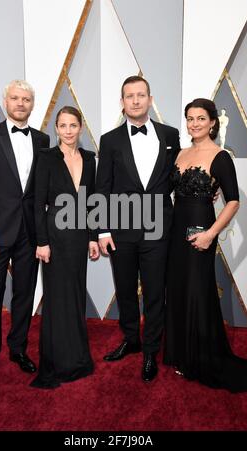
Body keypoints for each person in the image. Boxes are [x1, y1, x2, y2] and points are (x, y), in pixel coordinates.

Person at [163, 98, 247, 392]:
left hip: (201, 229)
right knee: (178, 288)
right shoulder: (180, 153)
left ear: (213, 122)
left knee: (197, 290)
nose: (194, 124)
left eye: (200, 118)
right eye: (190, 118)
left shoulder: (221, 156)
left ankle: (200, 358)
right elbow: (167, 190)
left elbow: (233, 201)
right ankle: (182, 354)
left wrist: (210, 234)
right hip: (175, 229)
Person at [96, 76, 180, 381]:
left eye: (140, 95)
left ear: (150, 98)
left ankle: (150, 351)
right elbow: (102, 188)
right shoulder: (109, 140)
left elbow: (177, 180)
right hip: (121, 229)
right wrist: (102, 230)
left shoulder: (171, 135)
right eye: (129, 96)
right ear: (122, 102)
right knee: (126, 289)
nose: (135, 100)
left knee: (156, 291)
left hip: (159, 228)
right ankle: (131, 339)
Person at [0, 80, 50, 383]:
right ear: (6, 102)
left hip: (29, 232)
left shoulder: (43, 140)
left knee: (25, 293)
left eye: (26, 99)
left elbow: (42, 189)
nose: (20, 103)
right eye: (15, 98)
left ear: (32, 104)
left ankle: (18, 348)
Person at [30, 106, 99, 389]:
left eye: (73, 125)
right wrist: (42, 242)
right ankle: (58, 359)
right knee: (57, 298)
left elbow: (93, 201)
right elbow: (37, 204)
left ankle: (78, 355)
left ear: (80, 128)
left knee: (75, 295)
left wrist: (93, 237)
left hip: (80, 236)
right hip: (55, 237)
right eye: (63, 126)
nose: (68, 131)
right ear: (56, 129)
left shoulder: (90, 159)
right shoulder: (46, 157)